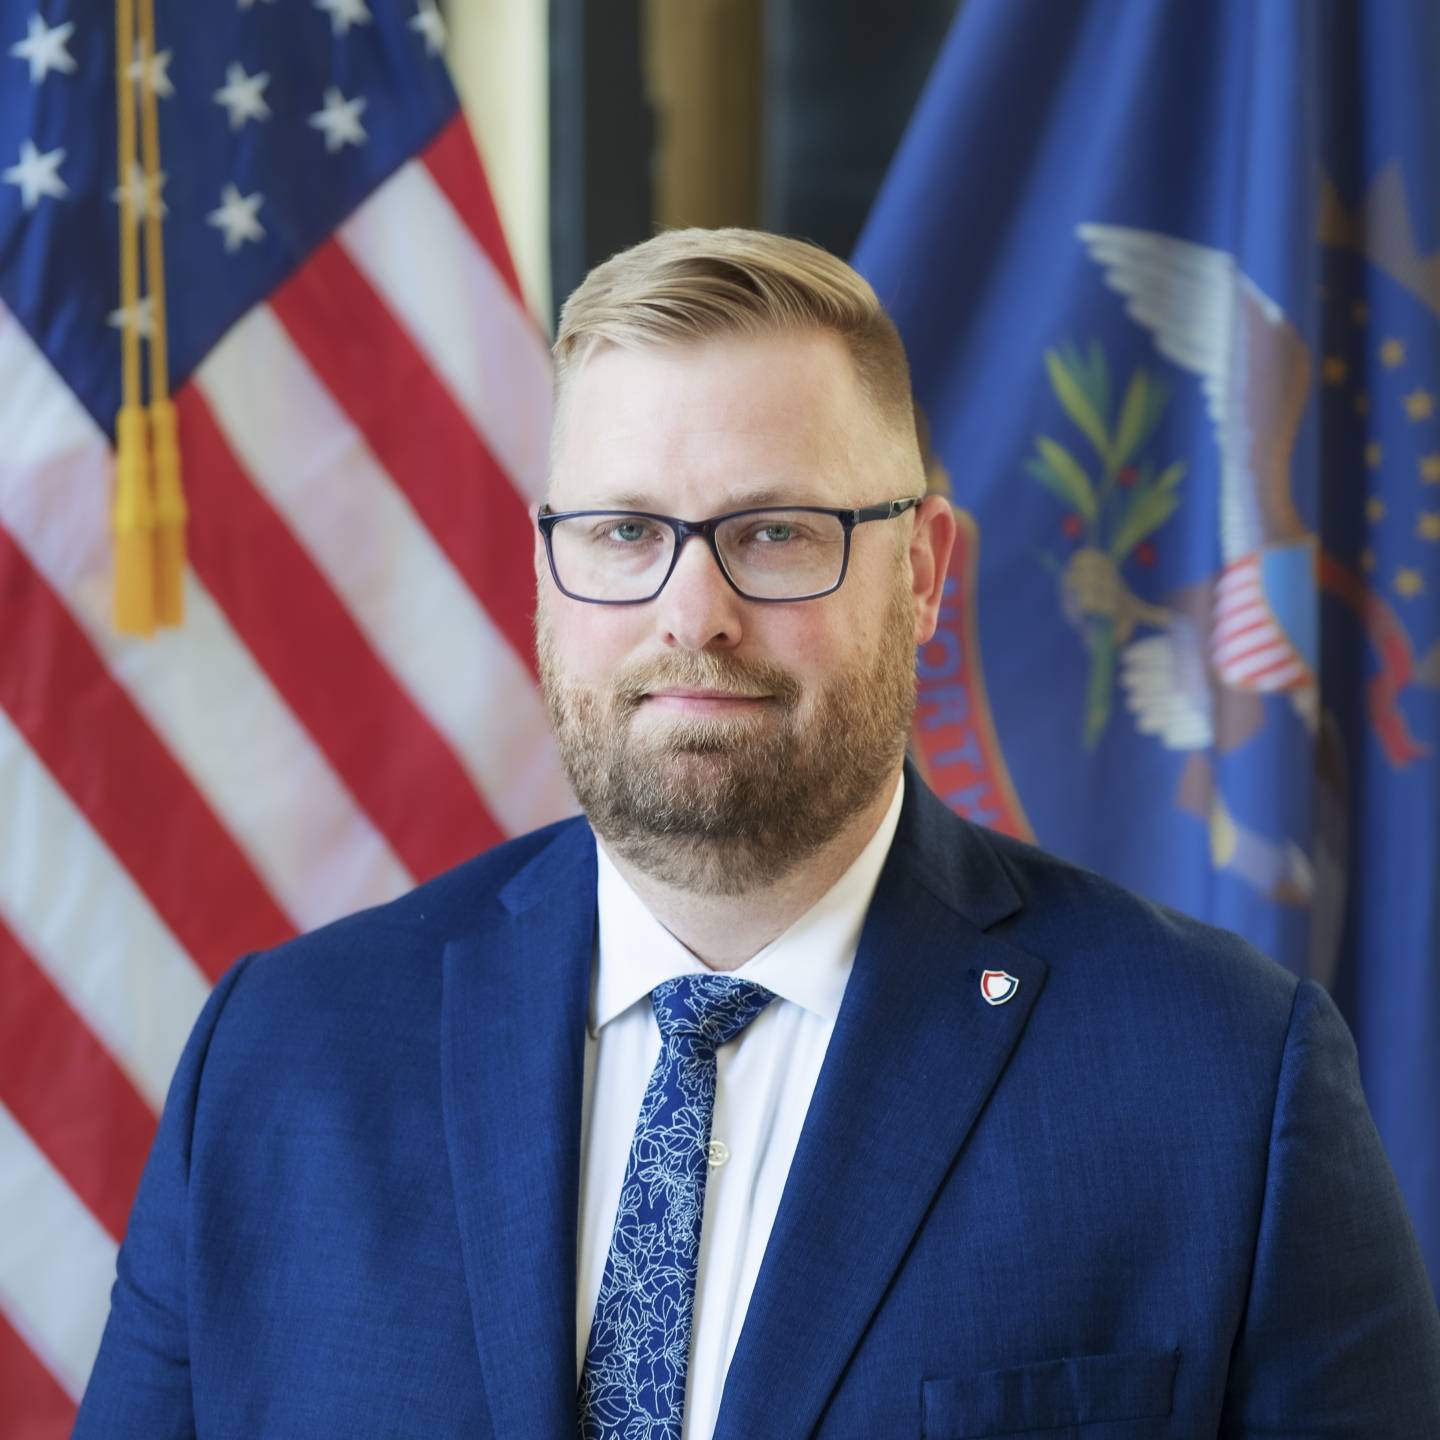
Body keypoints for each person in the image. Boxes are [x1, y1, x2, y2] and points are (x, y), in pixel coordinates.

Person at [76, 228, 1440, 1439]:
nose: (692, 614)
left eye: (777, 533)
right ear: (549, 564)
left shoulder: (1221, 1085)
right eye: (622, 533)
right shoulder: (277, 1061)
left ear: (923, 571)